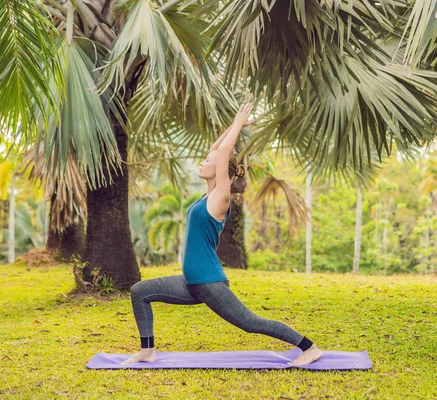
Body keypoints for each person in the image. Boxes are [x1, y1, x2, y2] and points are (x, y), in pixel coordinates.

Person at [121, 102, 323, 366]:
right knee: (140, 291)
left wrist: (238, 124)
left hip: (209, 283)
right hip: (190, 284)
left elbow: (224, 152)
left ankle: (309, 348)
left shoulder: (220, 197)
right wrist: (234, 126)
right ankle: (147, 350)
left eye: (208, 162)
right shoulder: (207, 194)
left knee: (250, 323)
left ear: (220, 171)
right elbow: (218, 149)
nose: (204, 160)